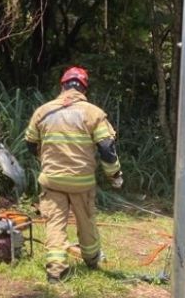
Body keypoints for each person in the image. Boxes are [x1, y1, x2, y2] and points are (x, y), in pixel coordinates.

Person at [24, 66, 123, 283]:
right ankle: (91, 260)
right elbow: (107, 148)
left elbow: (30, 143)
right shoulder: (93, 113)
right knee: (86, 221)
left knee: (55, 223)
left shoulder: (43, 111)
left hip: (52, 180)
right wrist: (114, 175)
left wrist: (44, 159)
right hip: (82, 182)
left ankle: (56, 271)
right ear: (84, 88)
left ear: (63, 85)